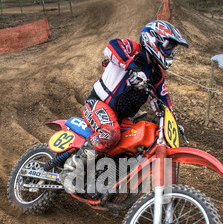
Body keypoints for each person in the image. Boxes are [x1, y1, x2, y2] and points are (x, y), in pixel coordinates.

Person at [61, 20, 188, 193]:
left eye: (173, 48)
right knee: (109, 133)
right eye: (168, 45)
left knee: (135, 148)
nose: (170, 51)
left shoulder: (157, 73)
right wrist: (133, 68)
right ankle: (70, 170)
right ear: (153, 39)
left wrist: (174, 121)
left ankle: (107, 189)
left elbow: (164, 99)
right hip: (98, 104)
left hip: (123, 117)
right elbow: (111, 47)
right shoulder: (132, 49)